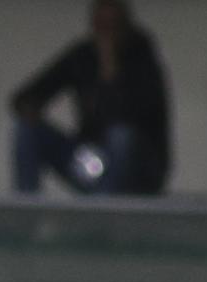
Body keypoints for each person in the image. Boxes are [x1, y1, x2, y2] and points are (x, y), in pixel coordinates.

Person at [10, 0, 170, 195]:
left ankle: (103, 216)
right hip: (93, 164)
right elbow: (27, 95)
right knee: (27, 130)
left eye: (113, 26)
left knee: (120, 136)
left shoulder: (142, 57)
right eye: (101, 26)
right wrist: (30, 108)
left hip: (138, 171)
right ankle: (26, 209)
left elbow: (133, 114)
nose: (106, 35)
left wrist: (111, 73)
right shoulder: (83, 56)